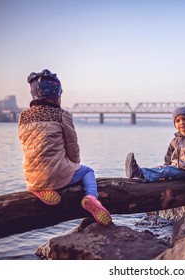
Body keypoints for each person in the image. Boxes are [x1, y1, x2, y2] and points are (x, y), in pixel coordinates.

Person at [18, 69, 112, 225]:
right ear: (56, 95)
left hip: (31, 177)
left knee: (38, 173)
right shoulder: (61, 115)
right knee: (87, 171)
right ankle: (91, 197)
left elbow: (25, 145)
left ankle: (39, 187)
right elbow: (72, 147)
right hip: (58, 175)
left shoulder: (23, 116)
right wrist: (73, 164)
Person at [125, 106, 185, 210]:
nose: (181, 122)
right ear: (175, 124)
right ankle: (139, 173)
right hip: (177, 169)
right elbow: (168, 158)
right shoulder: (175, 141)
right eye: (178, 121)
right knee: (162, 169)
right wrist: (166, 172)